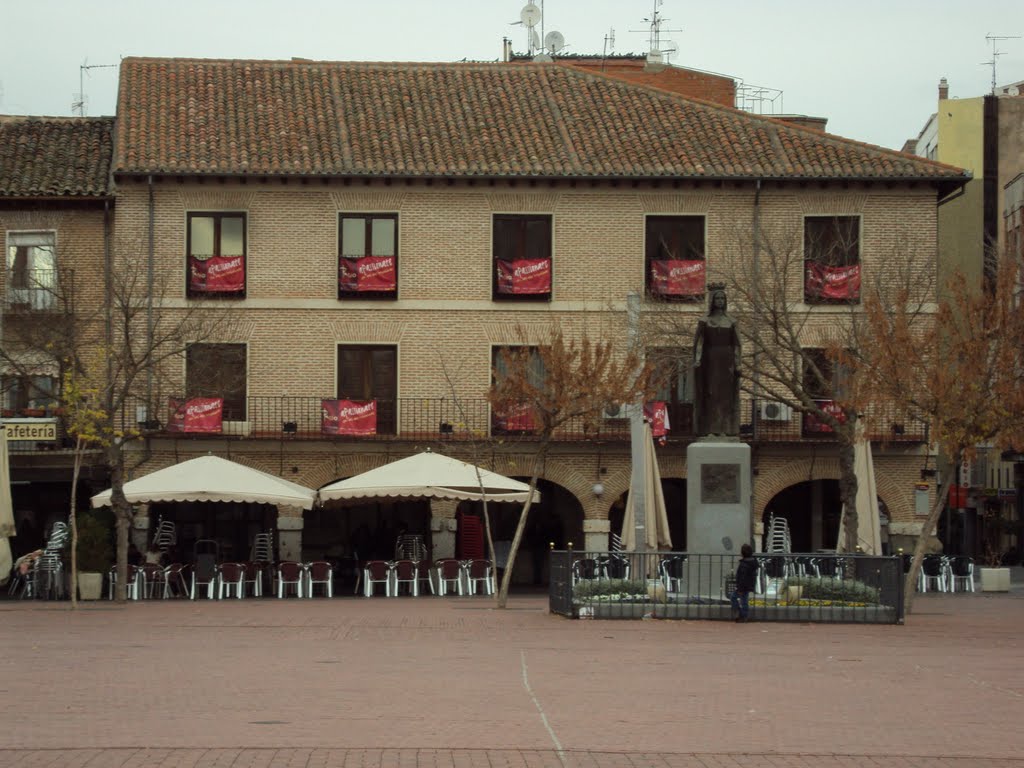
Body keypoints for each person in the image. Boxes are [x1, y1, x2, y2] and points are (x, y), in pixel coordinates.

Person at [693, 287, 741, 437]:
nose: (720, 301)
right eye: (717, 299)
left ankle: (726, 429)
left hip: (727, 360)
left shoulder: (732, 321)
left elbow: (737, 344)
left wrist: (738, 363)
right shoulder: (704, 321)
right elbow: (699, 342)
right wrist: (697, 359)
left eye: (722, 299)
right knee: (711, 393)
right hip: (710, 359)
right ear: (712, 301)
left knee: (726, 395)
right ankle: (710, 429)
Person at [730, 543, 758, 622]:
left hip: (742, 586)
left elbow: (742, 577)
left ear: (742, 553)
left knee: (734, 597)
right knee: (744, 600)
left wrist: (739, 587)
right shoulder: (752, 562)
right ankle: (743, 615)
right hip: (748, 585)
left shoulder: (744, 564)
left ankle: (742, 614)